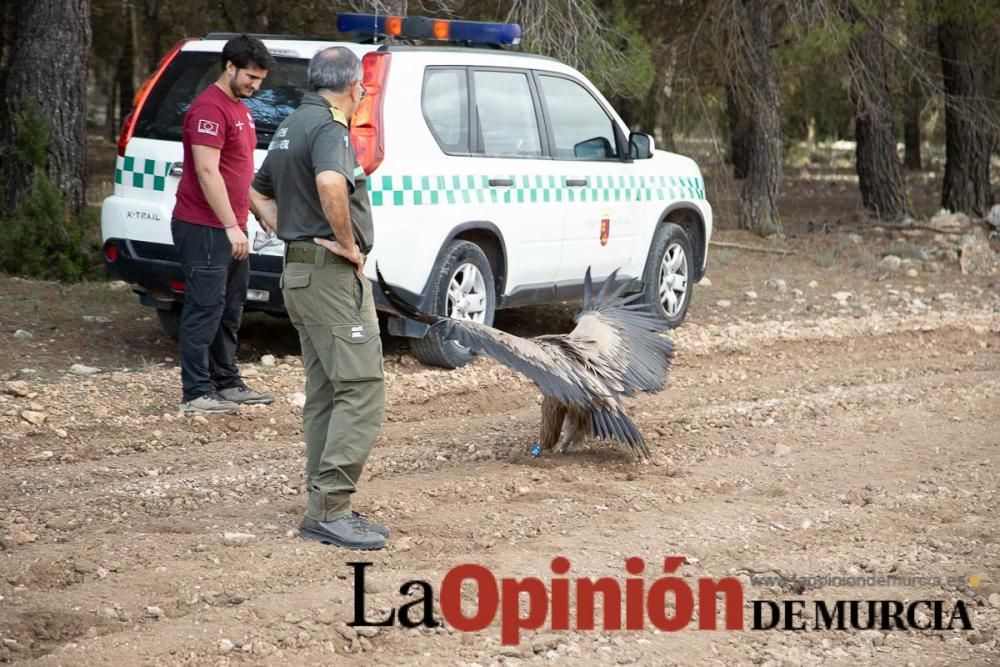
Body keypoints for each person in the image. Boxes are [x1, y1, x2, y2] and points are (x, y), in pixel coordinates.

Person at [249, 47, 388, 550]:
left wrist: (285, 229)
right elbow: (332, 182)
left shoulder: (292, 125)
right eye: (363, 89)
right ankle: (330, 510)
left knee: (328, 389)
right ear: (352, 87)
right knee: (364, 388)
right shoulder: (329, 128)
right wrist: (347, 244)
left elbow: (256, 189)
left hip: (299, 274)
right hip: (329, 278)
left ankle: (322, 502)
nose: (362, 97)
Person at [171, 34, 276, 414]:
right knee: (205, 308)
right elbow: (206, 171)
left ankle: (227, 382)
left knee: (231, 307)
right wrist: (231, 225)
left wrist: (258, 210)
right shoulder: (209, 110)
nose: (256, 86)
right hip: (204, 227)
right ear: (230, 67)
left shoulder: (240, 109)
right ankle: (196, 391)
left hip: (231, 226)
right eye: (251, 77)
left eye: (261, 80)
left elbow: (236, 172)